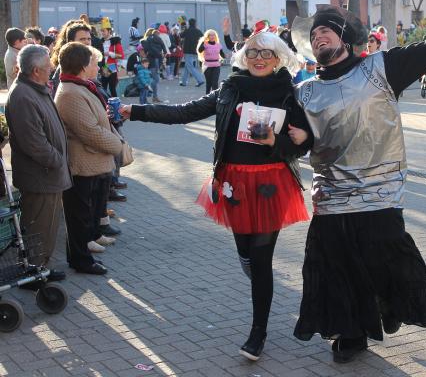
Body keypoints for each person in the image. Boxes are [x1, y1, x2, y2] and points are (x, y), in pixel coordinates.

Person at [291, 5, 426, 363]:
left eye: (325, 31)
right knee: (335, 269)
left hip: (379, 195)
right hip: (331, 197)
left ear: (344, 38)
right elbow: (297, 141)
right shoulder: (304, 93)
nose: (318, 36)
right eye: (312, 35)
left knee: (383, 263)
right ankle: (352, 333)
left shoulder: (380, 69)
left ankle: (387, 311)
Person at [119, 31, 312, 362]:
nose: (259, 58)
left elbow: (303, 146)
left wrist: (279, 142)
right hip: (233, 182)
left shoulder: (289, 95)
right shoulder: (229, 89)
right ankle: (250, 267)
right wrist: (134, 111)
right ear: (243, 57)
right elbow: (185, 111)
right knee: (247, 254)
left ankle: (258, 333)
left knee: (262, 260)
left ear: (278, 57)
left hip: (270, 185)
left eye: (266, 53)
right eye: (252, 53)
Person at [55, 42, 124, 275]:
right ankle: (80, 260)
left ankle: (83, 255)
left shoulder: (80, 87)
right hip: (82, 163)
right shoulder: (70, 92)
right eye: (94, 61)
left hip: (90, 161)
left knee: (86, 212)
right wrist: (117, 144)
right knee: (79, 216)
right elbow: (89, 131)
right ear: (83, 66)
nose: (98, 64)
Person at [4, 44, 70, 283]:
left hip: (48, 173)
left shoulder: (35, 88)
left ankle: (41, 269)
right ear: (35, 71)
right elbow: (34, 142)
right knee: (38, 228)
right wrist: (58, 160)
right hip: (41, 175)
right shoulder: (23, 95)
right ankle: (34, 274)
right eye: (47, 66)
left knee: (46, 227)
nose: (52, 68)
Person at [99, 18, 125, 98]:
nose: (102, 33)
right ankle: (106, 104)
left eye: (104, 31)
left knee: (111, 88)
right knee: (103, 88)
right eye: (101, 31)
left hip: (111, 66)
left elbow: (122, 55)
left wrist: (110, 54)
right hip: (104, 66)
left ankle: (116, 105)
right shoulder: (101, 42)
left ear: (109, 31)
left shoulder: (115, 41)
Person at [141, 28, 168, 102]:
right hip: (152, 62)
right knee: (155, 79)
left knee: (154, 79)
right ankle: (154, 96)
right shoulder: (151, 42)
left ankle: (154, 96)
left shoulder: (144, 41)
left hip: (147, 62)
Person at [197, 29, 226, 94]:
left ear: (215, 36)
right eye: (210, 35)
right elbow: (199, 50)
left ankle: (214, 98)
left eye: (213, 35)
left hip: (216, 65)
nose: (212, 36)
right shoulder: (205, 44)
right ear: (208, 36)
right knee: (209, 83)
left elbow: (222, 54)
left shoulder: (218, 45)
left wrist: (225, 56)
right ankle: (207, 96)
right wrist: (203, 42)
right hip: (207, 66)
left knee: (215, 83)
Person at [179, 18, 204, 87]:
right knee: (187, 66)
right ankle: (183, 82)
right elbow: (203, 38)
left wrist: (184, 29)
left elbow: (181, 35)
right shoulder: (198, 31)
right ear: (195, 23)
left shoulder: (187, 30)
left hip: (187, 51)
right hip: (196, 51)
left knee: (190, 66)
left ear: (189, 23)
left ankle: (200, 80)